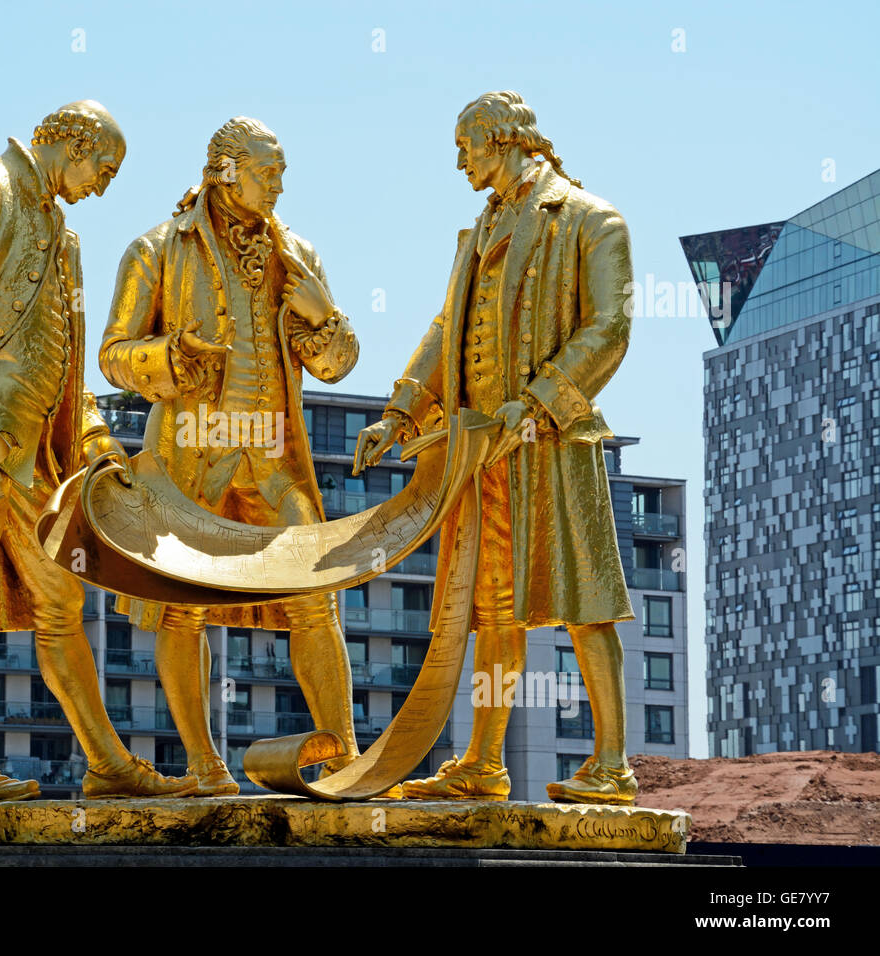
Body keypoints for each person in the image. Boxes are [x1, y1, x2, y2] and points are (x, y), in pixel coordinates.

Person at [0, 100, 195, 802]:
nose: (102, 186)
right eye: (102, 169)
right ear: (71, 143)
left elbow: (64, 363)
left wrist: (95, 439)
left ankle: (107, 765)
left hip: (32, 460)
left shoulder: (64, 239)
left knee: (61, 603)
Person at [353, 91, 638, 805]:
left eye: (466, 146)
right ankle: (483, 762)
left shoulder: (588, 218)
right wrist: (399, 410)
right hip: (479, 452)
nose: (460, 162)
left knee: (586, 596)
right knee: (490, 607)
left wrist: (537, 402)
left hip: (552, 442)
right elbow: (446, 327)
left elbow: (609, 330)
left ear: (505, 140)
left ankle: (612, 763)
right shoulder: (480, 229)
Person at [99, 117, 361, 796]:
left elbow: (334, 365)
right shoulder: (156, 249)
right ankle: (204, 766)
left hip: (273, 459)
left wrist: (324, 312)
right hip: (189, 457)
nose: (279, 184)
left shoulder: (296, 254)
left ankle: (344, 762)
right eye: (267, 170)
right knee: (182, 607)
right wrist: (168, 359)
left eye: (280, 172)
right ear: (224, 169)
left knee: (315, 599)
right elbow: (114, 354)